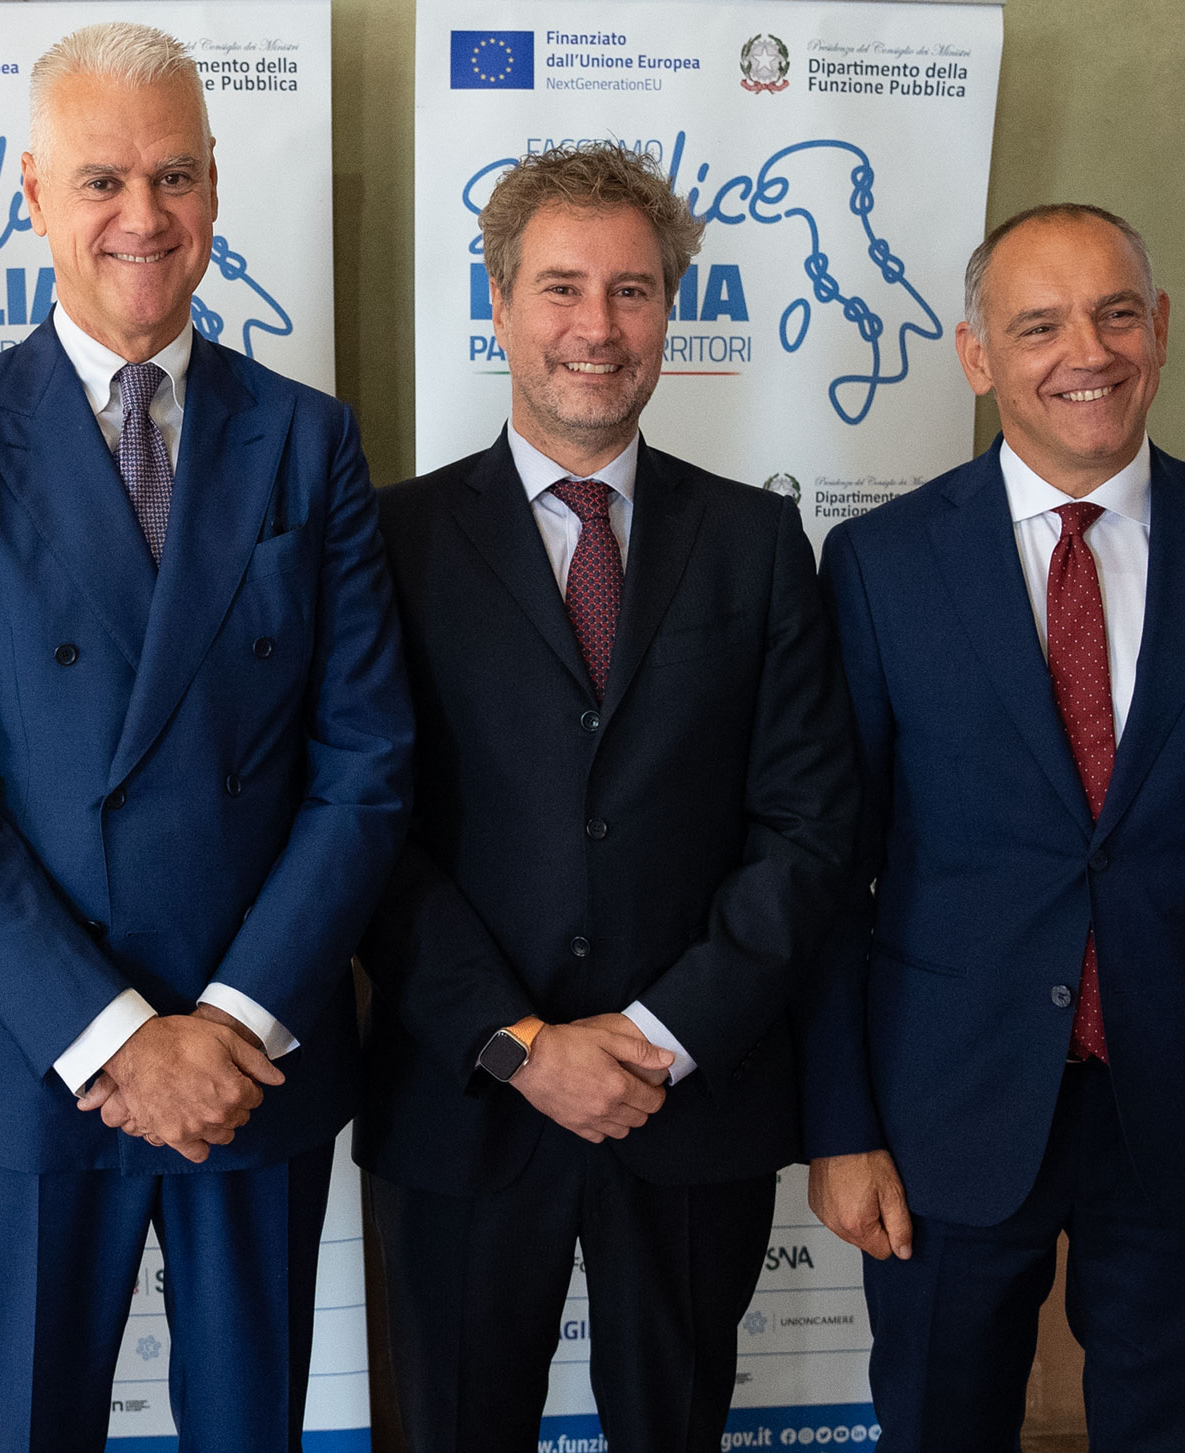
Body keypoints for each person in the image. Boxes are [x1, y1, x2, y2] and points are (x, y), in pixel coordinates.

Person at [0, 21, 411, 1451]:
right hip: (34, 1059)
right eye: (102, 180)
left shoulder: (310, 443)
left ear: (216, 184)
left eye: (174, 175)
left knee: (250, 1431)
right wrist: (117, 1041)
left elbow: (364, 766)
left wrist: (225, 1025)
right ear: (33, 194)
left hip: (252, 1057)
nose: (142, 216)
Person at [800, 203, 1185, 1452]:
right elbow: (832, 877)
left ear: (1159, 328)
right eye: (1040, 325)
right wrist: (840, 1129)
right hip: (945, 1120)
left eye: (1118, 314)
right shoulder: (879, 567)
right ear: (976, 355)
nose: (1089, 351)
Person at [357, 143, 860, 1453]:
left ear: (670, 311)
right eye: (563, 287)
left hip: (687, 1101)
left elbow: (808, 828)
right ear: (500, 304)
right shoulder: (391, 543)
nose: (599, 326)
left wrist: (655, 1036)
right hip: (466, 1103)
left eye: (633, 291)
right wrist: (522, 1045)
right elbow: (366, 831)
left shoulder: (756, 543)